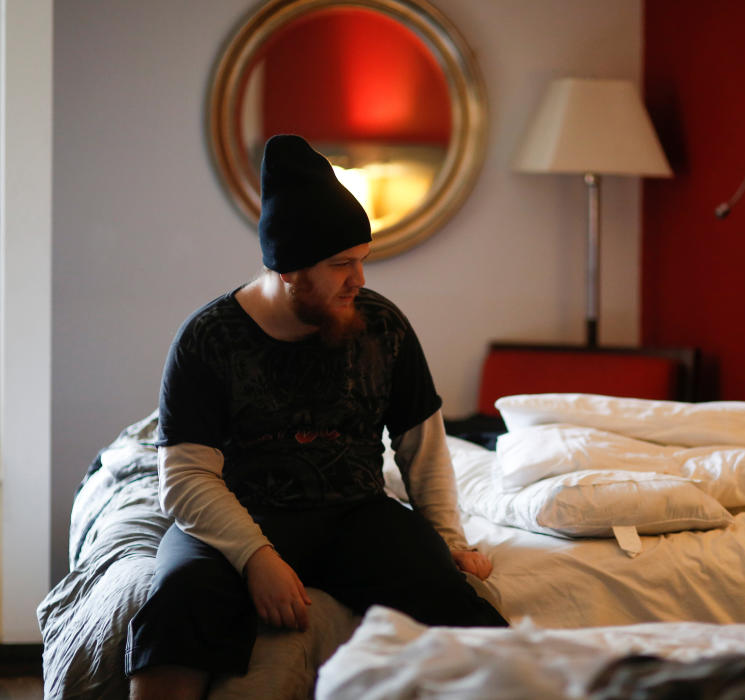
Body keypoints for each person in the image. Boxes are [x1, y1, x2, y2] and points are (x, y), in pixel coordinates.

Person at [125, 134, 507, 700]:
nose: (359, 280)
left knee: (451, 599)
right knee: (177, 605)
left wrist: (446, 539)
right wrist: (258, 559)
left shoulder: (382, 327)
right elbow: (184, 480)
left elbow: (421, 446)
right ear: (288, 271)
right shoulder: (207, 339)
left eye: (362, 261)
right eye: (341, 266)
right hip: (237, 514)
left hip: (353, 514)